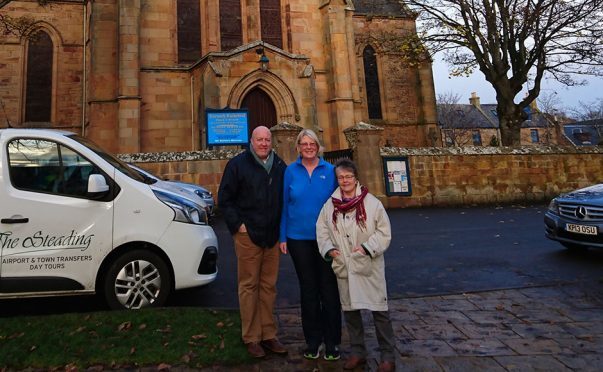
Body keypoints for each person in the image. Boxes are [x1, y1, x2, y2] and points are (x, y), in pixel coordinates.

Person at [316, 159, 395, 372]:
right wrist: (330, 250)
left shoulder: (372, 203)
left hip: (368, 265)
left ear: (356, 178)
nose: (345, 181)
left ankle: (387, 356)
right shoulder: (330, 205)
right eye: (341, 177)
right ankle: (358, 352)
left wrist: (367, 248)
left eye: (348, 176)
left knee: (379, 311)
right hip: (345, 266)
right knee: (351, 312)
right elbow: (322, 229)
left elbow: (384, 232)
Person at [218, 126, 288, 358]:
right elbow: (225, 199)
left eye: (267, 139)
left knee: (268, 286)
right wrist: (239, 226)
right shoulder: (238, 164)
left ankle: (268, 334)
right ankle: (251, 337)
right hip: (248, 236)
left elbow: (286, 199)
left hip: (272, 236)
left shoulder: (279, 166)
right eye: (259, 139)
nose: (264, 143)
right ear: (251, 141)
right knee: (249, 286)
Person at [279, 129, 342, 360]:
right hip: (297, 239)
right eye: (304, 143)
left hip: (326, 240)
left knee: (328, 289)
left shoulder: (330, 170)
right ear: (298, 147)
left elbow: (340, 203)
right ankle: (313, 342)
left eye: (312, 143)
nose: (308, 147)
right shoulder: (290, 171)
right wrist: (283, 236)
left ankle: (333, 341)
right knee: (308, 290)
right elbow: (284, 204)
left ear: (318, 146)